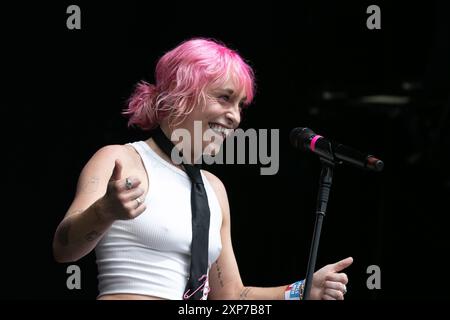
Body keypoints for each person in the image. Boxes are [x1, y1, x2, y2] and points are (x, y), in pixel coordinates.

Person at [53, 38, 353, 300]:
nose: (235, 116)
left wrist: (301, 291)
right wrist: (104, 210)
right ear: (183, 93)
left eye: (240, 105)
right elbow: (63, 250)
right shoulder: (120, 159)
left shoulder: (214, 189)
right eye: (224, 98)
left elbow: (230, 296)